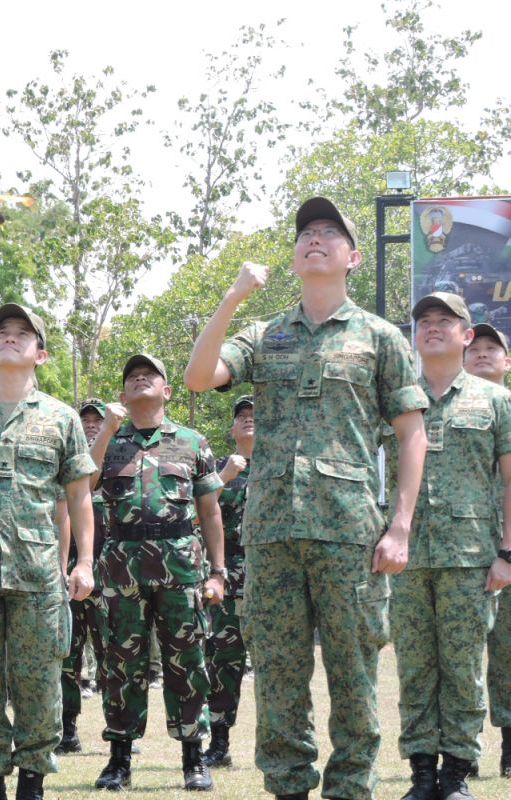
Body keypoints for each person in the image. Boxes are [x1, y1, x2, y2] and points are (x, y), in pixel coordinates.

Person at [184, 197, 429, 800]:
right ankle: (289, 788)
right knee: (279, 677)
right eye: (305, 234)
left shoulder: (379, 337)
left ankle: (351, 789)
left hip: (349, 532)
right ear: (295, 258)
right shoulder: (265, 334)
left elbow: (411, 431)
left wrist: (399, 526)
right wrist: (232, 297)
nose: (313, 239)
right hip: (270, 533)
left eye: (328, 233)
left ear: (351, 256)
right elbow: (197, 376)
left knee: (354, 676)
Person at [0, 303, 96, 800]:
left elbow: (78, 496)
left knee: (38, 680)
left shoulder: (61, 418)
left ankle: (33, 777)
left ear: (41, 353)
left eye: (22, 333)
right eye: (2, 332)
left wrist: (84, 562)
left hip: (36, 573)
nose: (10, 338)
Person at [385, 293, 511, 800]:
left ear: (465, 336)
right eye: (424, 322)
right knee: (415, 667)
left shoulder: (496, 401)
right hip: (407, 558)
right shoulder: (395, 398)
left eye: (445, 321)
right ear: (415, 337)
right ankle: (420, 773)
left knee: (462, 669)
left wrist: (507, 552)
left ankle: (456, 773)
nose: (433, 328)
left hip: (470, 559)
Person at [89, 353, 225, 792]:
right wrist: (107, 429)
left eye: (149, 374)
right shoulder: (108, 441)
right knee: (120, 664)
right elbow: (81, 483)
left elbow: (210, 510)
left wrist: (217, 572)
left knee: (187, 662)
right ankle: (119, 759)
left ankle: (193, 758)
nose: (139, 377)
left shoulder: (191, 441)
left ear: (166, 391)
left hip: (181, 565)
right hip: (122, 566)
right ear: (123, 395)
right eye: (131, 376)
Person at [57, 397, 118, 756]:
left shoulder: (121, 460)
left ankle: (116, 727)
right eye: (86, 420)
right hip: (70, 574)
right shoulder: (65, 464)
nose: (92, 424)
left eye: (98, 420)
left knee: (112, 654)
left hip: (111, 575)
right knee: (67, 655)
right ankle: (67, 729)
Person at [465, 322, 511, 779]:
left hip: (509, 548)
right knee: (461, 654)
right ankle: (464, 748)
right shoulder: (444, 408)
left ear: (507, 360)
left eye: (491, 348)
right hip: (465, 547)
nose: (482, 354)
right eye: (474, 348)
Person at [202, 394, 254, 769]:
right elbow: (196, 512)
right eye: (242, 416)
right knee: (223, 661)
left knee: (282, 664)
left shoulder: (282, 466)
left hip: (274, 579)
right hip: (229, 578)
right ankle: (219, 742)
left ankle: (280, 744)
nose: (249, 419)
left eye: (256, 415)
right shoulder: (218, 468)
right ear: (231, 428)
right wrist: (225, 477)